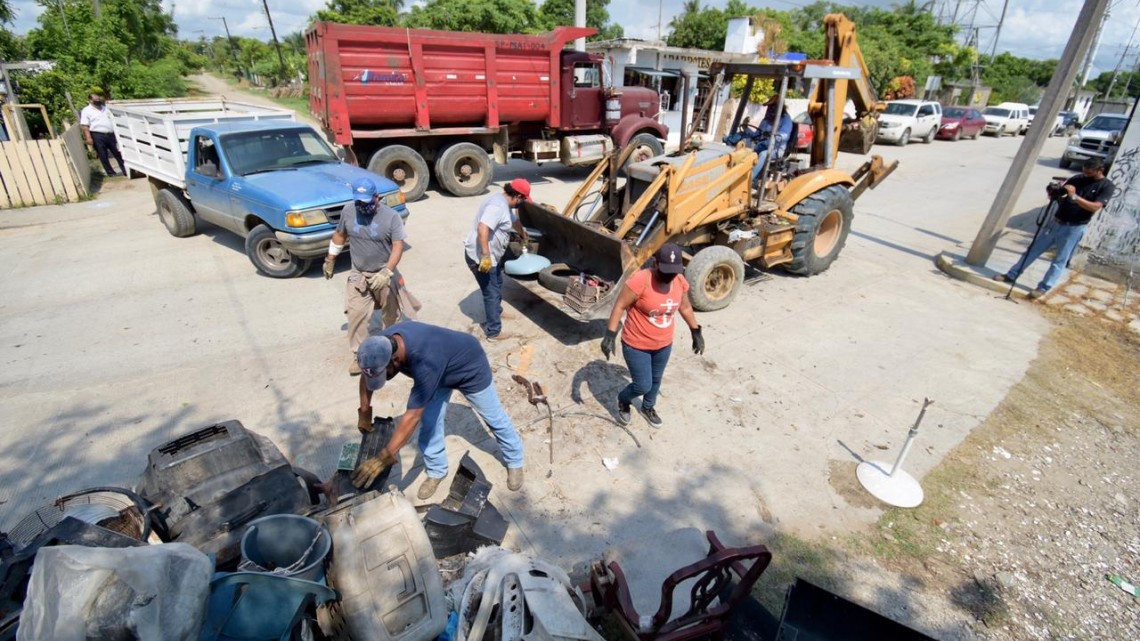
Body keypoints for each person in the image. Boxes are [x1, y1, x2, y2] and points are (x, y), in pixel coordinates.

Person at [350, 321, 525, 499]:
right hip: (440, 370)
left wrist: (385, 456)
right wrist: (364, 412)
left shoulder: (424, 360)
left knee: (494, 418)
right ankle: (436, 471)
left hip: (470, 367)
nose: (384, 379)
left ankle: (515, 459)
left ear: (395, 360)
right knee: (430, 424)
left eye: (384, 374)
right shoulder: (379, 346)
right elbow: (367, 375)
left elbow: (412, 417)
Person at [600, 243, 704, 428]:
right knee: (642, 385)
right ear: (655, 263)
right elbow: (619, 306)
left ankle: (648, 407)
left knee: (656, 380)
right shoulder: (640, 280)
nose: (670, 276)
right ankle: (624, 399)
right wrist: (610, 335)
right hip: (636, 344)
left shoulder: (679, 281)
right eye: (665, 271)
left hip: (664, 344)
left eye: (674, 271)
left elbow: (685, 306)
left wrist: (695, 331)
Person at [324, 177, 412, 378]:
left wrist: (387, 272)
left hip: (383, 273)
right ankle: (360, 355)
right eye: (358, 202)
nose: (362, 206)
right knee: (356, 315)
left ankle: (392, 351)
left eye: (366, 202)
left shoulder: (391, 217)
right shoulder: (348, 211)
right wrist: (330, 259)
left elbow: (398, 246)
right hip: (358, 274)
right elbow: (340, 235)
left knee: (391, 317)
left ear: (377, 198)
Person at [993, 158, 1115, 298]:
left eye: (1089, 171)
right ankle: (1011, 275)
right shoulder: (1077, 178)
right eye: (1084, 170)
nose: (1085, 173)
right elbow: (1060, 195)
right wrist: (1054, 191)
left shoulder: (1106, 186)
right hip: (1055, 222)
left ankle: (1043, 287)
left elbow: (1095, 207)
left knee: (1060, 260)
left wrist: (1074, 196)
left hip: (1074, 227)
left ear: (1100, 170)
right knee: (1032, 251)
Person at [463, 179, 531, 340]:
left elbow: (514, 222)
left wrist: (523, 234)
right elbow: (483, 228)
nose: (522, 204)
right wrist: (486, 256)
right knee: (491, 292)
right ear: (517, 196)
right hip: (481, 256)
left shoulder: (504, 203)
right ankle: (494, 332)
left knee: (498, 282)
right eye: (523, 200)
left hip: (492, 255)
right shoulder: (497, 206)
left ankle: (497, 311)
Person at [80, 92, 126, 177]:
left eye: (98, 99)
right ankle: (111, 173)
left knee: (118, 152)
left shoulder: (105, 108)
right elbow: (85, 126)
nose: (98, 100)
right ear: (90, 100)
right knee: (103, 155)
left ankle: (125, 170)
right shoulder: (86, 111)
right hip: (97, 135)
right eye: (95, 99)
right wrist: (88, 137)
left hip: (111, 134)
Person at [749, 96, 794, 184]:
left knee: (763, 154)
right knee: (747, 150)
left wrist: (773, 135)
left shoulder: (786, 120)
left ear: (779, 107)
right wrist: (747, 131)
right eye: (769, 107)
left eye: (772, 106)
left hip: (776, 149)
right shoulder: (767, 119)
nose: (770, 109)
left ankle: (749, 180)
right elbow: (757, 134)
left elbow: (784, 135)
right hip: (762, 144)